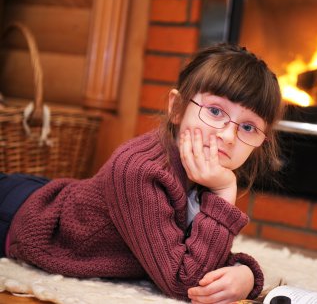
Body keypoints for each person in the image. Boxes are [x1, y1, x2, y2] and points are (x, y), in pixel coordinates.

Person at [0, 43, 283, 304]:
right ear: (177, 108)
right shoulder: (139, 171)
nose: (228, 135)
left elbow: (195, 251)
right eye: (215, 111)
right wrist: (223, 194)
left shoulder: (205, 170)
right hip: (18, 215)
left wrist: (245, 273)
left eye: (248, 127)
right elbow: (183, 281)